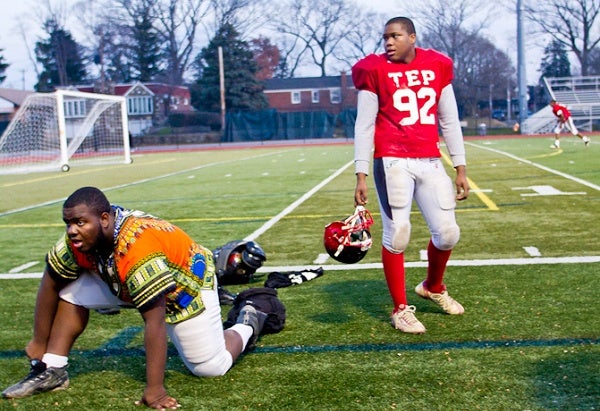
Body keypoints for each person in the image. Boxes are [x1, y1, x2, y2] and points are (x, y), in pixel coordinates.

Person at [2, 186, 267, 409]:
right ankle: (54, 370)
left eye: (79, 222)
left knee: (210, 366)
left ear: (104, 219)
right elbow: (51, 279)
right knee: (68, 290)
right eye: (68, 223)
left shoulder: (137, 249)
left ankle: (248, 319)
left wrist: (155, 390)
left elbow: (155, 321)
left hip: (185, 286)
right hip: (124, 278)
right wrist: (39, 341)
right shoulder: (83, 238)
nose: (72, 230)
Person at [352, 17, 469, 334]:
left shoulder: (438, 65)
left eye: (395, 36)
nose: (388, 42)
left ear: (412, 37)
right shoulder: (373, 70)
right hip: (391, 160)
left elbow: (449, 121)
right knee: (398, 233)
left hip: (429, 158)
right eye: (385, 37)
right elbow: (364, 125)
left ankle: (433, 286)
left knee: (448, 233)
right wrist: (361, 173)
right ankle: (400, 309)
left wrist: (460, 166)